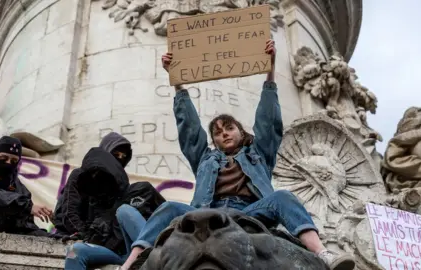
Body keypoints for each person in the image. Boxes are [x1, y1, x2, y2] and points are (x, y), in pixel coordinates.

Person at [121, 40, 355, 270]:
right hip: (206, 209)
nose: (224, 134)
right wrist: (178, 84)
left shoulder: (259, 154)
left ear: (242, 133)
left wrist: (270, 71)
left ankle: (322, 253)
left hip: (249, 211)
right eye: (218, 133)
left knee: (283, 197)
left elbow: (268, 120)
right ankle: (131, 263)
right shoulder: (206, 159)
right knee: (169, 208)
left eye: (229, 128)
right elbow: (189, 128)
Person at [64, 147, 166, 269]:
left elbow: (167, 220)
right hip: (119, 255)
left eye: (101, 177)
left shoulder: (141, 190)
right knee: (73, 251)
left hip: (148, 251)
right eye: (93, 179)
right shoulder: (97, 205)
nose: (98, 182)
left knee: (124, 211)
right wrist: (85, 236)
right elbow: (95, 237)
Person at [53, 132, 134, 236]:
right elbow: (69, 211)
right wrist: (84, 233)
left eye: (124, 156)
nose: (120, 159)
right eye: (116, 154)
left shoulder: (121, 184)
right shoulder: (81, 175)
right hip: (72, 234)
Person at [0, 136, 53, 236]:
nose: (8, 163)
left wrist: (52, 238)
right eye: (3, 158)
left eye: (14, 161)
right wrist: (25, 206)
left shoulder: (17, 186)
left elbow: (25, 226)